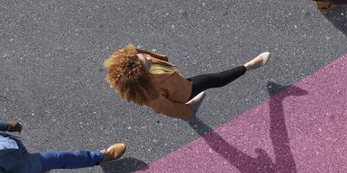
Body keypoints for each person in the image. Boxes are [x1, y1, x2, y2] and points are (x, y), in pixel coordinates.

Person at [104, 44, 273, 121]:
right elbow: (170, 109)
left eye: (142, 56)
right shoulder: (151, 95)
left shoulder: (132, 57)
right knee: (212, 79)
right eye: (146, 62)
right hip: (184, 92)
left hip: (177, 81)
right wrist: (186, 111)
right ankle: (249, 66)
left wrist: (159, 58)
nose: (147, 57)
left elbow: (140, 53)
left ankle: (191, 107)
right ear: (142, 77)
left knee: (208, 81)